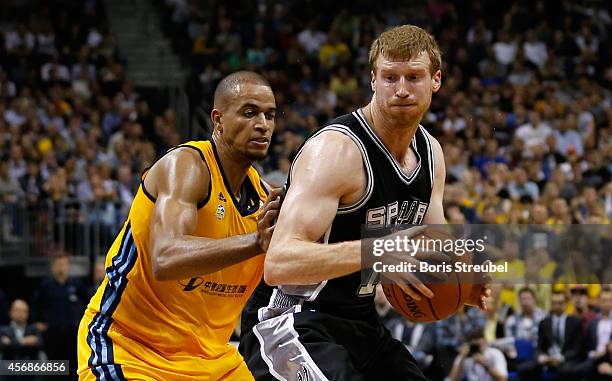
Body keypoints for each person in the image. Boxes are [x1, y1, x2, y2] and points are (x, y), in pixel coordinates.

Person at [240, 25, 489, 380]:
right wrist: (375, 251)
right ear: (373, 79)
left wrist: (461, 282)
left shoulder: (431, 153)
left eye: (413, 77)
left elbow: (433, 242)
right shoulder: (338, 151)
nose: (401, 89)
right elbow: (279, 263)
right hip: (292, 319)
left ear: (436, 80)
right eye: (390, 77)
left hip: (359, 322)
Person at [76, 71, 281, 380]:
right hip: (129, 349)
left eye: (270, 115)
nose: (262, 124)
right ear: (218, 119)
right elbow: (165, 257)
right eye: (249, 113)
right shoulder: (187, 166)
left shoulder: (266, 200)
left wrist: (376, 262)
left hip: (212, 361)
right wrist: (255, 242)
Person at [31, 254, 88, 379]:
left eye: (64, 264)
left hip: (73, 333)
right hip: (53, 333)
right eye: (58, 264)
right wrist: (37, 322)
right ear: (52, 267)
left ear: (68, 266)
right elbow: (35, 305)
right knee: (55, 368)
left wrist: (83, 323)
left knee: (74, 367)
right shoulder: (45, 286)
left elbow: (88, 304)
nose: (61, 268)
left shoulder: (77, 285)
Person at [518, 291, 584, 381]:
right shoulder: (544, 322)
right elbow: (539, 347)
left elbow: (577, 349)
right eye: (554, 303)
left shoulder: (575, 322)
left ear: (566, 304)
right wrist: (541, 357)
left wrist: (561, 358)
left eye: (560, 303)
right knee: (524, 369)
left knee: (566, 371)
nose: (557, 306)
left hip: (566, 359)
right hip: (548, 359)